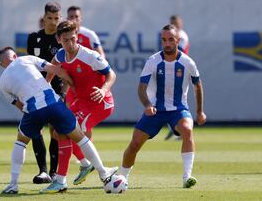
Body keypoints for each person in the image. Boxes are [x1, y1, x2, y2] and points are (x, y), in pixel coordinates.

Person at [0, 46, 117, 194]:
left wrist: (34, 117)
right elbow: (56, 70)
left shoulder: (2, 82)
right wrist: (71, 84)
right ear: (15, 56)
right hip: (54, 103)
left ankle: (13, 184)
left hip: (33, 110)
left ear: (2, 64)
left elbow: (19, 105)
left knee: (21, 141)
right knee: (79, 137)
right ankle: (103, 172)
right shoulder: (26, 59)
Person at [119, 24, 206, 188]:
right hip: (156, 111)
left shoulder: (188, 62)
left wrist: (200, 111)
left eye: (171, 40)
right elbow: (141, 87)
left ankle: (187, 177)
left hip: (178, 110)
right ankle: (122, 178)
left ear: (178, 41)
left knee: (187, 130)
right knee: (135, 144)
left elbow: (197, 85)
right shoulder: (153, 61)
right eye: (164, 40)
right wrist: (147, 104)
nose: (167, 43)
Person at [41, 20, 117, 193]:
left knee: (67, 132)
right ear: (59, 39)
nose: (71, 43)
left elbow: (111, 74)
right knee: (57, 132)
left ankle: (63, 179)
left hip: (100, 103)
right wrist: (46, 87)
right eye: (66, 40)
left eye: (73, 39)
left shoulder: (90, 56)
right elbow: (53, 68)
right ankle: (88, 165)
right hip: (82, 102)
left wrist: (104, 90)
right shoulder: (61, 55)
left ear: (77, 37)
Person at [26, 2, 62, 183]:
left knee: (55, 132)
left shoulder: (62, 39)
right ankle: (43, 171)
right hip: (36, 90)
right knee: (35, 129)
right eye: (50, 18)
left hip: (57, 91)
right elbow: (29, 66)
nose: (53, 22)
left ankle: (54, 172)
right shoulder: (34, 38)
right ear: (44, 18)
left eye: (56, 18)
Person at [65, 5, 106, 107]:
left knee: (87, 109)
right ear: (67, 18)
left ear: (81, 18)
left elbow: (101, 56)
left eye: (76, 16)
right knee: (69, 109)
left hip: (88, 81)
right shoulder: (63, 36)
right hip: (71, 79)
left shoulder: (90, 35)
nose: (74, 19)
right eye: (71, 16)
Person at [165, 15, 190, 140]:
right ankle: (174, 126)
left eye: (176, 23)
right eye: (172, 23)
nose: (175, 25)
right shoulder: (172, 37)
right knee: (169, 99)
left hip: (180, 71)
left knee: (179, 100)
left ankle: (180, 126)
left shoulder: (182, 36)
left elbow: (177, 52)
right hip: (172, 71)